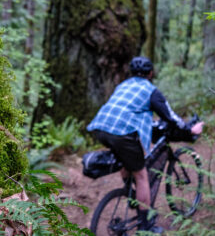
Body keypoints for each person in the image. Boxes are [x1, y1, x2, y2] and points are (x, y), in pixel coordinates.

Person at [87, 56, 204, 233]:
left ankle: (131, 194)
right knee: (141, 175)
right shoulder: (151, 90)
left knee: (125, 159)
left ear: (131, 73)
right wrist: (190, 130)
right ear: (150, 73)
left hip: (101, 128)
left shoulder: (122, 86)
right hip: (123, 132)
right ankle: (146, 225)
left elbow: (126, 109)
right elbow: (170, 117)